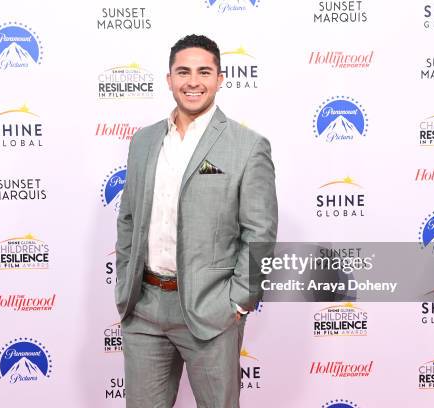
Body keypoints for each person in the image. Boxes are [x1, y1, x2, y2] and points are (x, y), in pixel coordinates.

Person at [115, 34, 278, 408]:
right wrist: (127, 282)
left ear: (220, 79)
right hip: (143, 308)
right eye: (183, 72)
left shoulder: (247, 146)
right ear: (169, 78)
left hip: (211, 311)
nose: (193, 81)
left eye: (204, 72)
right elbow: (128, 218)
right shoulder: (143, 141)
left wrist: (238, 302)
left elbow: (261, 233)